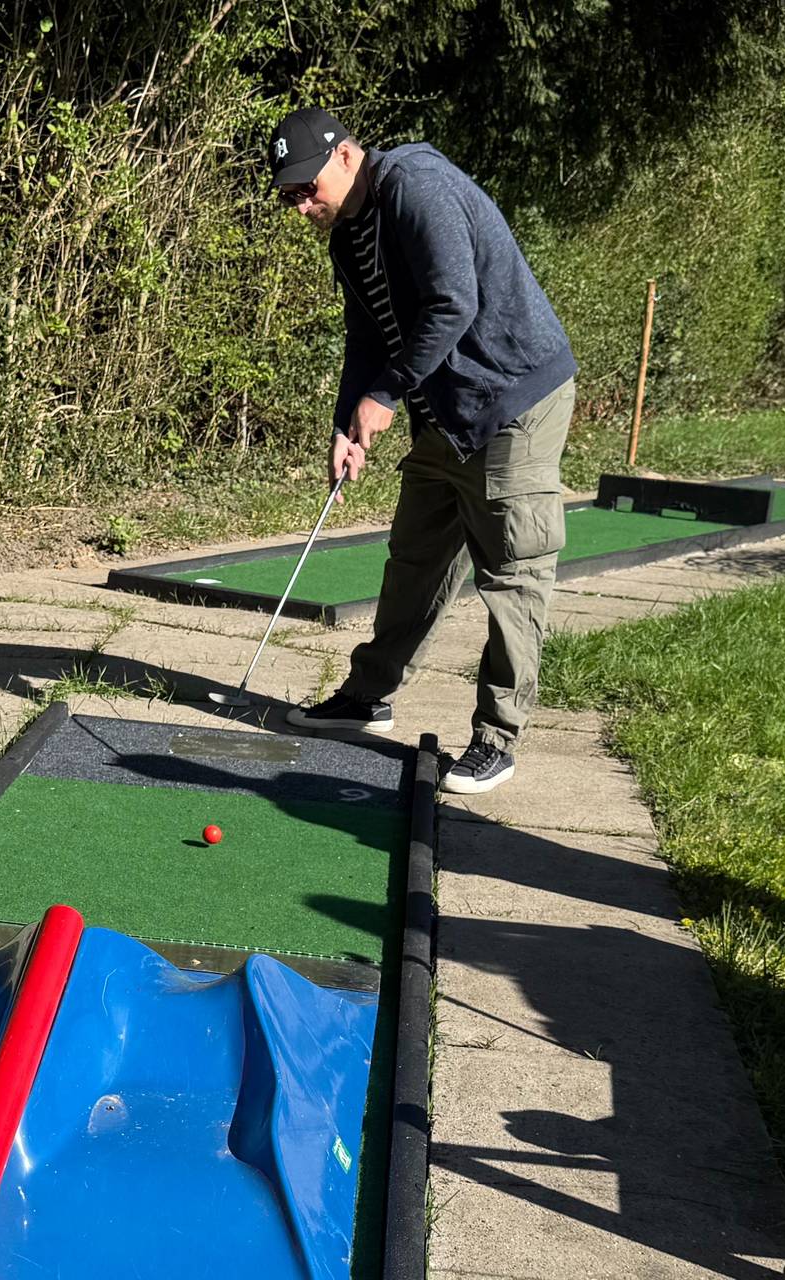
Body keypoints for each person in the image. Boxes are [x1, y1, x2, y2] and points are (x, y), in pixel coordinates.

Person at [263, 107, 579, 796]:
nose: (302, 204)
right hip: (444, 407)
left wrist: (386, 396)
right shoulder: (348, 233)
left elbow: (452, 304)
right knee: (416, 555)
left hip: (513, 396)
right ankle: (366, 698)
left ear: (346, 155)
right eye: (290, 195)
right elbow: (367, 335)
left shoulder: (414, 186)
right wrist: (348, 421)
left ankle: (497, 738)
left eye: (307, 186)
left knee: (513, 571)